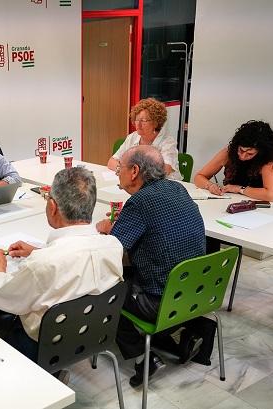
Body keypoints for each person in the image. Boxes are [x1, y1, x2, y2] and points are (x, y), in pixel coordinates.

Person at [0, 167, 124, 363]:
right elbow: (75, 259)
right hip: (94, 337)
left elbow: (6, 300)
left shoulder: (42, 263)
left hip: (42, 347)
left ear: (52, 206)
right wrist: (40, 251)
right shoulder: (113, 246)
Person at [96, 145, 205, 387]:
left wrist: (106, 231)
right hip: (196, 291)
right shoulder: (177, 188)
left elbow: (112, 251)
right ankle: (169, 340)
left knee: (104, 287)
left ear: (134, 171)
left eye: (120, 169)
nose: (118, 174)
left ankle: (143, 359)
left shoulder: (140, 202)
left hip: (161, 301)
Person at [194, 120, 273, 201]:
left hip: (258, 206)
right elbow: (199, 177)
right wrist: (210, 186)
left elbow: (271, 195)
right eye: (241, 150)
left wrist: (239, 189)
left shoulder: (268, 161)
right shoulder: (228, 153)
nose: (243, 156)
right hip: (230, 202)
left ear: (260, 153)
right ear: (237, 145)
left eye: (250, 154)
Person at [107, 98, 182, 180]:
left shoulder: (167, 141)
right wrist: (120, 170)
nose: (138, 125)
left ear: (155, 123)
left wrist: (133, 173)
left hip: (164, 185)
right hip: (137, 183)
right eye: (137, 120)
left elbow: (165, 169)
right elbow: (112, 161)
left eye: (143, 121)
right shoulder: (133, 137)